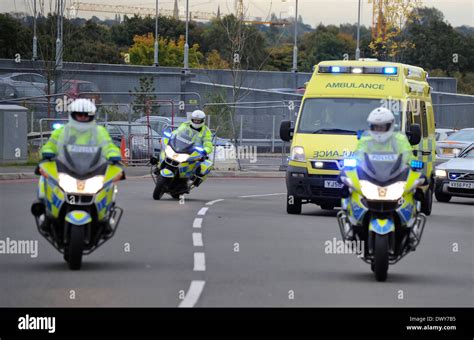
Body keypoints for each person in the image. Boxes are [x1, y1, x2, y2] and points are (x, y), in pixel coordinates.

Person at [41, 98, 121, 162]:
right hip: (66, 169)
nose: (83, 117)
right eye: (79, 114)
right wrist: (48, 151)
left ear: (91, 115)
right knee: (47, 179)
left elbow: (109, 147)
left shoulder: (99, 131)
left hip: (94, 170)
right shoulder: (62, 131)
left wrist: (113, 154)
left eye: (86, 114)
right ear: (73, 114)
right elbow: (49, 146)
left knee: (111, 180)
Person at [173, 109, 213, 187]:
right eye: (195, 120)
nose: (196, 122)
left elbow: (208, 144)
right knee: (167, 151)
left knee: (204, 165)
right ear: (191, 119)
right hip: (182, 147)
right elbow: (177, 132)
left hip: (196, 152)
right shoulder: (185, 125)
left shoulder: (206, 131)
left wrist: (205, 151)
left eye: (199, 121)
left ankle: (191, 181)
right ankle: (158, 166)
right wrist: (171, 137)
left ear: (203, 120)